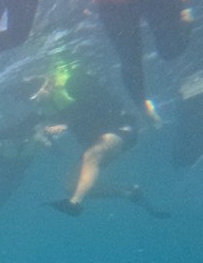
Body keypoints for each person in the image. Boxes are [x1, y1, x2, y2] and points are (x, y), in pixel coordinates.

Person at [35, 65, 169, 217]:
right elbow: (61, 117)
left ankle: (74, 203)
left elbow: (91, 110)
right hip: (100, 141)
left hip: (123, 132)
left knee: (93, 153)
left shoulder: (97, 94)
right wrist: (46, 129)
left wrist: (66, 124)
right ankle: (128, 192)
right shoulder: (74, 105)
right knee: (71, 186)